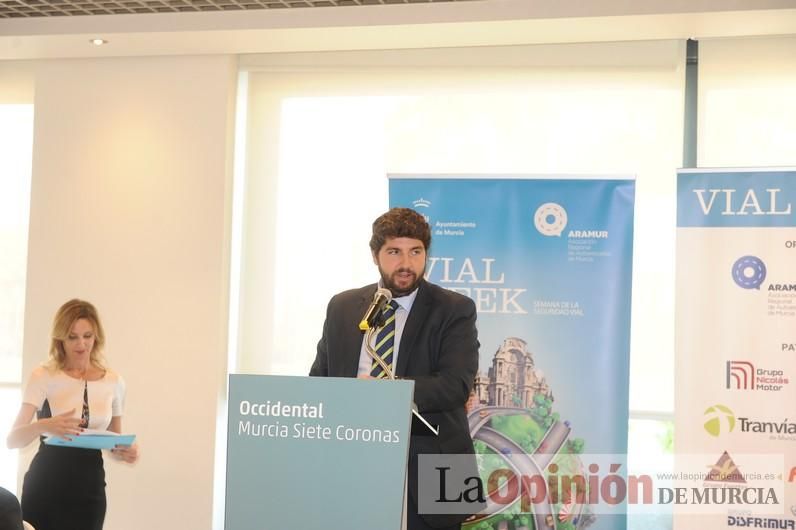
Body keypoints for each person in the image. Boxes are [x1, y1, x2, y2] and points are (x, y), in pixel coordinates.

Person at [310, 207, 480, 530]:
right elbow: (320, 381)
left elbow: (455, 385)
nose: (406, 263)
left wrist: (391, 392)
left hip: (438, 465)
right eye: (394, 252)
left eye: (416, 251)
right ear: (375, 255)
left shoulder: (455, 309)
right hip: (355, 461)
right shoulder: (342, 308)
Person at [6, 299, 138, 530]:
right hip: (46, 484)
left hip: (90, 488)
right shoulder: (43, 375)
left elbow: (114, 441)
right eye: (73, 337)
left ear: (96, 336)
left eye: (87, 336)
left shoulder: (114, 381)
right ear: (60, 339)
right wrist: (44, 425)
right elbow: (12, 440)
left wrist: (126, 451)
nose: (81, 344)